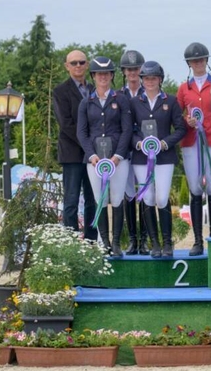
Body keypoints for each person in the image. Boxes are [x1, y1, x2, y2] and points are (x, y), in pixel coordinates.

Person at [76, 56, 132, 257]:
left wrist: (118, 155)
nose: (103, 77)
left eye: (107, 74)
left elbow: (127, 130)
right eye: (99, 74)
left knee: (117, 198)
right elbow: (81, 132)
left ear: (111, 76)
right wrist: (91, 155)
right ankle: (105, 242)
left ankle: (116, 243)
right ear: (93, 76)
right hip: (95, 161)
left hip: (118, 159)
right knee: (100, 199)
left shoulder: (121, 99)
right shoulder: (86, 103)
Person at [130, 61, 186, 258]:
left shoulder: (170, 101)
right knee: (147, 197)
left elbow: (180, 129)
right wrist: (139, 144)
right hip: (141, 158)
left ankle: (167, 242)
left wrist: (164, 143)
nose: (150, 81)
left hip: (164, 157)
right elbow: (129, 130)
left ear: (160, 80)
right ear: (142, 80)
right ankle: (154, 242)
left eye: (153, 78)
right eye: (146, 78)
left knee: (162, 198)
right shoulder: (134, 102)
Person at [177, 42, 211, 256]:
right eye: (194, 61)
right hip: (191, 143)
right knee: (195, 189)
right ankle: (197, 241)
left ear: (207, 61)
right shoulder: (183, 88)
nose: (198, 63)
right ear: (189, 64)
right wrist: (187, 120)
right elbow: (177, 116)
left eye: (202, 59)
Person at [53, 50, 97, 240]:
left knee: (93, 200)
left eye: (81, 62)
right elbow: (66, 124)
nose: (78, 66)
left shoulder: (96, 90)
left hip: (94, 155)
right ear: (67, 66)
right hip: (72, 153)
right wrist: (89, 145)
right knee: (71, 200)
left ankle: (91, 240)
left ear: (87, 65)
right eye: (73, 63)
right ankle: (71, 241)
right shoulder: (60, 91)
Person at [119, 49, 150, 255]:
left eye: (136, 69)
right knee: (128, 194)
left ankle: (145, 239)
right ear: (123, 72)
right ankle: (132, 238)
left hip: (144, 150)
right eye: (129, 69)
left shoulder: (148, 94)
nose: (132, 73)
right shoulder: (117, 95)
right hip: (124, 151)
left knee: (145, 193)